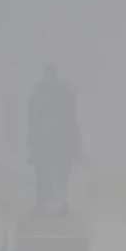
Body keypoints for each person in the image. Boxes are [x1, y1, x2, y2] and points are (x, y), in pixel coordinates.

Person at [27, 65, 82, 216]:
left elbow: (70, 117)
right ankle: (43, 203)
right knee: (43, 175)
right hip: (46, 141)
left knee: (61, 175)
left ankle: (61, 203)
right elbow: (33, 120)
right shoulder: (40, 94)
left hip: (59, 140)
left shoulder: (62, 94)